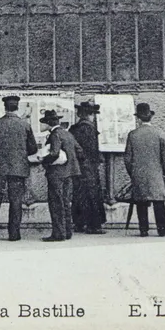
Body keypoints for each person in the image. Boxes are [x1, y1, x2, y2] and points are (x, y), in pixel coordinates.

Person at [0, 95, 38, 242]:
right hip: (18, 169)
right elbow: (33, 149)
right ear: (17, 107)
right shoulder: (25, 126)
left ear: (5, 107)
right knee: (16, 202)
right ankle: (14, 234)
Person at [124, 103, 165, 238]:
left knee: (141, 202)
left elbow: (127, 158)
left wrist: (133, 173)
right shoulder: (159, 133)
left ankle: (143, 230)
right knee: (159, 202)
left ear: (138, 119)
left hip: (138, 174)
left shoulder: (132, 135)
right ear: (150, 118)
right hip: (156, 174)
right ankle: (163, 230)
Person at [39, 110, 83, 243]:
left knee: (56, 203)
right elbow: (80, 151)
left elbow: (54, 153)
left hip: (56, 173)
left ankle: (58, 233)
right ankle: (67, 231)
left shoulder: (54, 134)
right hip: (69, 173)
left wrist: (43, 160)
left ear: (48, 123)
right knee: (65, 203)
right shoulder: (67, 133)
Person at [70, 101, 106, 235]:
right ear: (89, 115)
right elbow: (91, 150)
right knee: (92, 195)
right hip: (89, 167)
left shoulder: (74, 128)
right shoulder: (89, 129)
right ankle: (94, 226)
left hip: (78, 167)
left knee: (79, 195)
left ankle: (79, 223)